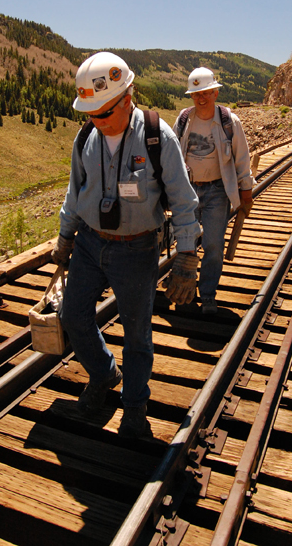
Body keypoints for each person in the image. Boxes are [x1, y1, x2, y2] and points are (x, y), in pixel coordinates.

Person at [51, 52, 201, 439]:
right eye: (90, 113)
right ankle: (104, 374)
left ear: (127, 97)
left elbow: (183, 201)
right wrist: (65, 238)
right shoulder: (86, 137)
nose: (94, 120)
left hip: (136, 250)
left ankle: (134, 405)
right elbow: (75, 192)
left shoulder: (156, 136)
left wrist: (187, 256)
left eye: (101, 112)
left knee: (137, 334)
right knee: (73, 316)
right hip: (89, 243)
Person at [173, 67, 254, 315]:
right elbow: (172, 155)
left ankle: (207, 294)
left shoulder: (230, 122)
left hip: (218, 191)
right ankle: (185, 288)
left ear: (215, 93)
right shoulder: (184, 119)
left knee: (213, 244)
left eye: (206, 92)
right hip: (188, 191)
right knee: (185, 241)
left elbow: (242, 160)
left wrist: (246, 192)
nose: (201, 98)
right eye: (196, 94)